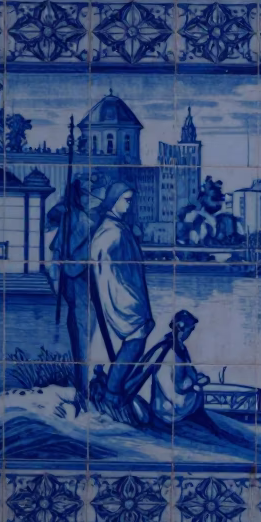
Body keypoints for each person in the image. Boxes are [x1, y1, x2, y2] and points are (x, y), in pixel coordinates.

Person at [90, 182, 155, 424]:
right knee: (135, 341)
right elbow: (101, 262)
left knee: (136, 339)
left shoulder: (118, 227)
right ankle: (112, 392)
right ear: (114, 199)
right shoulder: (111, 231)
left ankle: (113, 388)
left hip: (130, 291)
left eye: (130, 200)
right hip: (122, 295)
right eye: (126, 200)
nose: (129, 204)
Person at [46, 177, 94, 403]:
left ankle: (83, 386)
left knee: (80, 331)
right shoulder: (78, 217)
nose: (90, 199)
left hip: (75, 280)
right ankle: (82, 388)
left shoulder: (78, 217)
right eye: (86, 194)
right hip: (76, 281)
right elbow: (51, 222)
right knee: (80, 332)